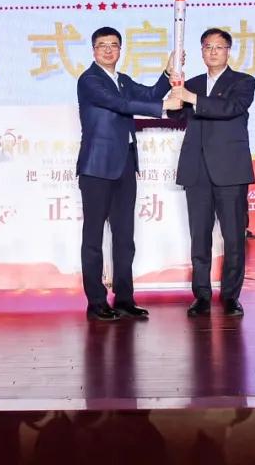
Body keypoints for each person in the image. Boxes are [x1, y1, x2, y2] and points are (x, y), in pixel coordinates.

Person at [76, 26, 177, 321]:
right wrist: (163, 107)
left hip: (124, 166)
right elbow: (119, 105)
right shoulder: (90, 80)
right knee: (93, 238)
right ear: (94, 50)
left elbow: (150, 93)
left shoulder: (122, 80)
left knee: (124, 237)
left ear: (120, 50)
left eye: (114, 45)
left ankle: (124, 298)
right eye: (103, 45)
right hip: (96, 168)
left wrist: (167, 72)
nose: (109, 50)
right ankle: (96, 302)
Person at [168, 28, 255, 318]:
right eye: (208, 47)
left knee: (233, 238)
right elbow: (175, 114)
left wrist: (191, 97)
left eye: (219, 47)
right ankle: (202, 295)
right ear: (202, 51)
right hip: (197, 170)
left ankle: (231, 296)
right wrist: (173, 85)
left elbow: (230, 108)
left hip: (230, 171)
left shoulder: (243, 82)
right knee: (200, 237)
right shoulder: (192, 84)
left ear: (228, 51)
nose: (213, 52)